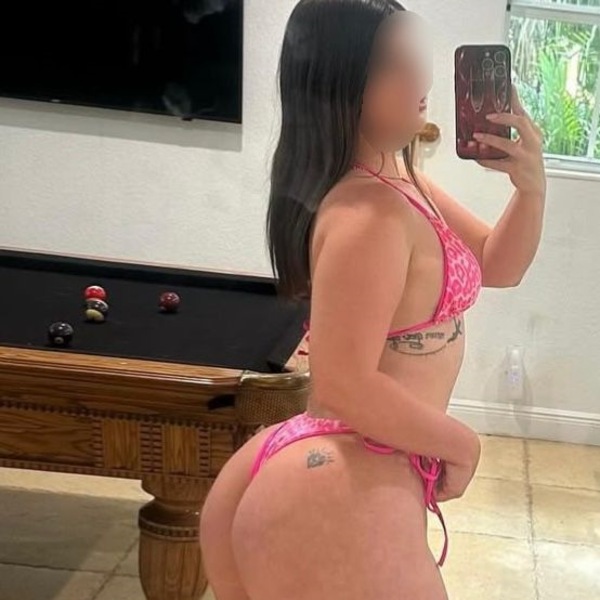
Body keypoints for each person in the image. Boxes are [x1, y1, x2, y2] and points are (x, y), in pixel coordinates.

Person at [200, 1, 546, 599]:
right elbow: (343, 382)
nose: (419, 77)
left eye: (412, 53)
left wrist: (531, 188)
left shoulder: (398, 178)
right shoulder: (371, 213)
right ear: (340, 84)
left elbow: (498, 264)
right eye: (390, 63)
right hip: (341, 480)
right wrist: (462, 443)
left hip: (340, 466)